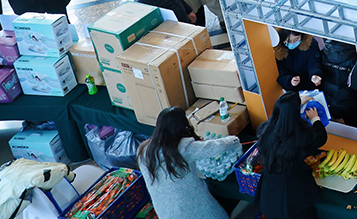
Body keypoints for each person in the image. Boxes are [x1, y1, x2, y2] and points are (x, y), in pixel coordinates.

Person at [138, 106, 242, 219]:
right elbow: (214, 147)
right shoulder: (182, 148)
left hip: (165, 211)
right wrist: (233, 140)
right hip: (190, 208)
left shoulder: (143, 150)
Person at [256, 91, 328, 219]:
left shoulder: (264, 129)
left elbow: (285, 112)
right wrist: (315, 119)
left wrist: (297, 103)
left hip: (270, 191)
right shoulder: (301, 136)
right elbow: (321, 138)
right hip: (295, 194)